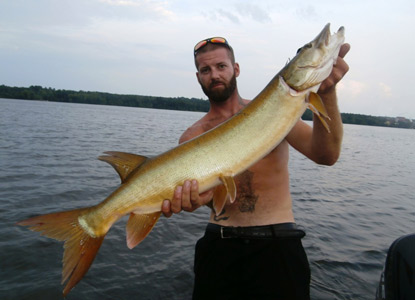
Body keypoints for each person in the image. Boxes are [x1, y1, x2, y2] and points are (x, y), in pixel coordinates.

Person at [161, 36, 350, 299]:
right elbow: (208, 200)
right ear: (198, 77)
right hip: (219, 247)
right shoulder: (192, 137)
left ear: (235, 69)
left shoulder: (276, 109)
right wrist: (195, 201)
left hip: (278, 247)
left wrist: (327, 92)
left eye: (221, 66)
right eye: (206, 70)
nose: (214, 74)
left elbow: (326, 155)